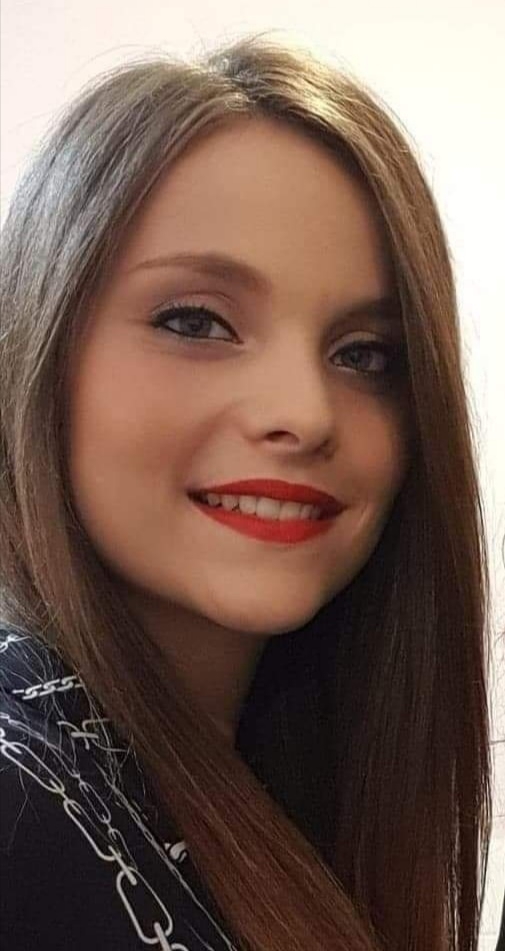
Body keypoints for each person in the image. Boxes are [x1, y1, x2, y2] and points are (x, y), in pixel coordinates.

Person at [0, 30, 491, 951]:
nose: (303, 412)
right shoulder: (18, 793)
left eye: (364, 354)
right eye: (195, 321)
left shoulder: (301, 778)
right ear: (39, 348)